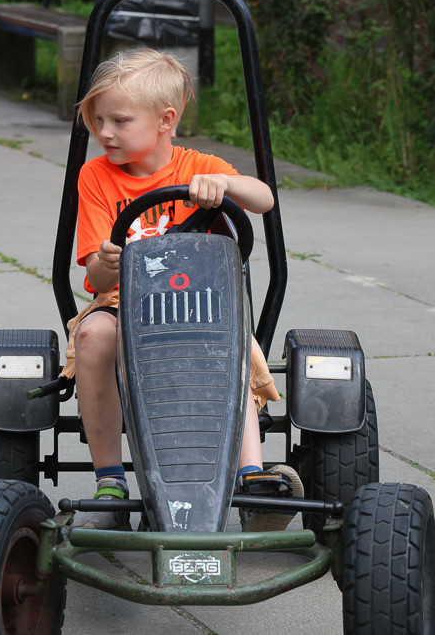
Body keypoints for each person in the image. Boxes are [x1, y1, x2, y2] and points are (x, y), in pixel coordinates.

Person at [61, 48, 303, 531]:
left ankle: (251, 478)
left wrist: (224, 185)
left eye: (119, 121)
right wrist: (107, 262)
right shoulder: (96, 177)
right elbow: (96, 276)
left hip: (202, 307)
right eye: (98, 120)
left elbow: (265, 198)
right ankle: (110, 481)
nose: (104, 133)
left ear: (165, 120)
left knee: (228, 343)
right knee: (92, 338)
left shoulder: (200, 165)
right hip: (121, 304)